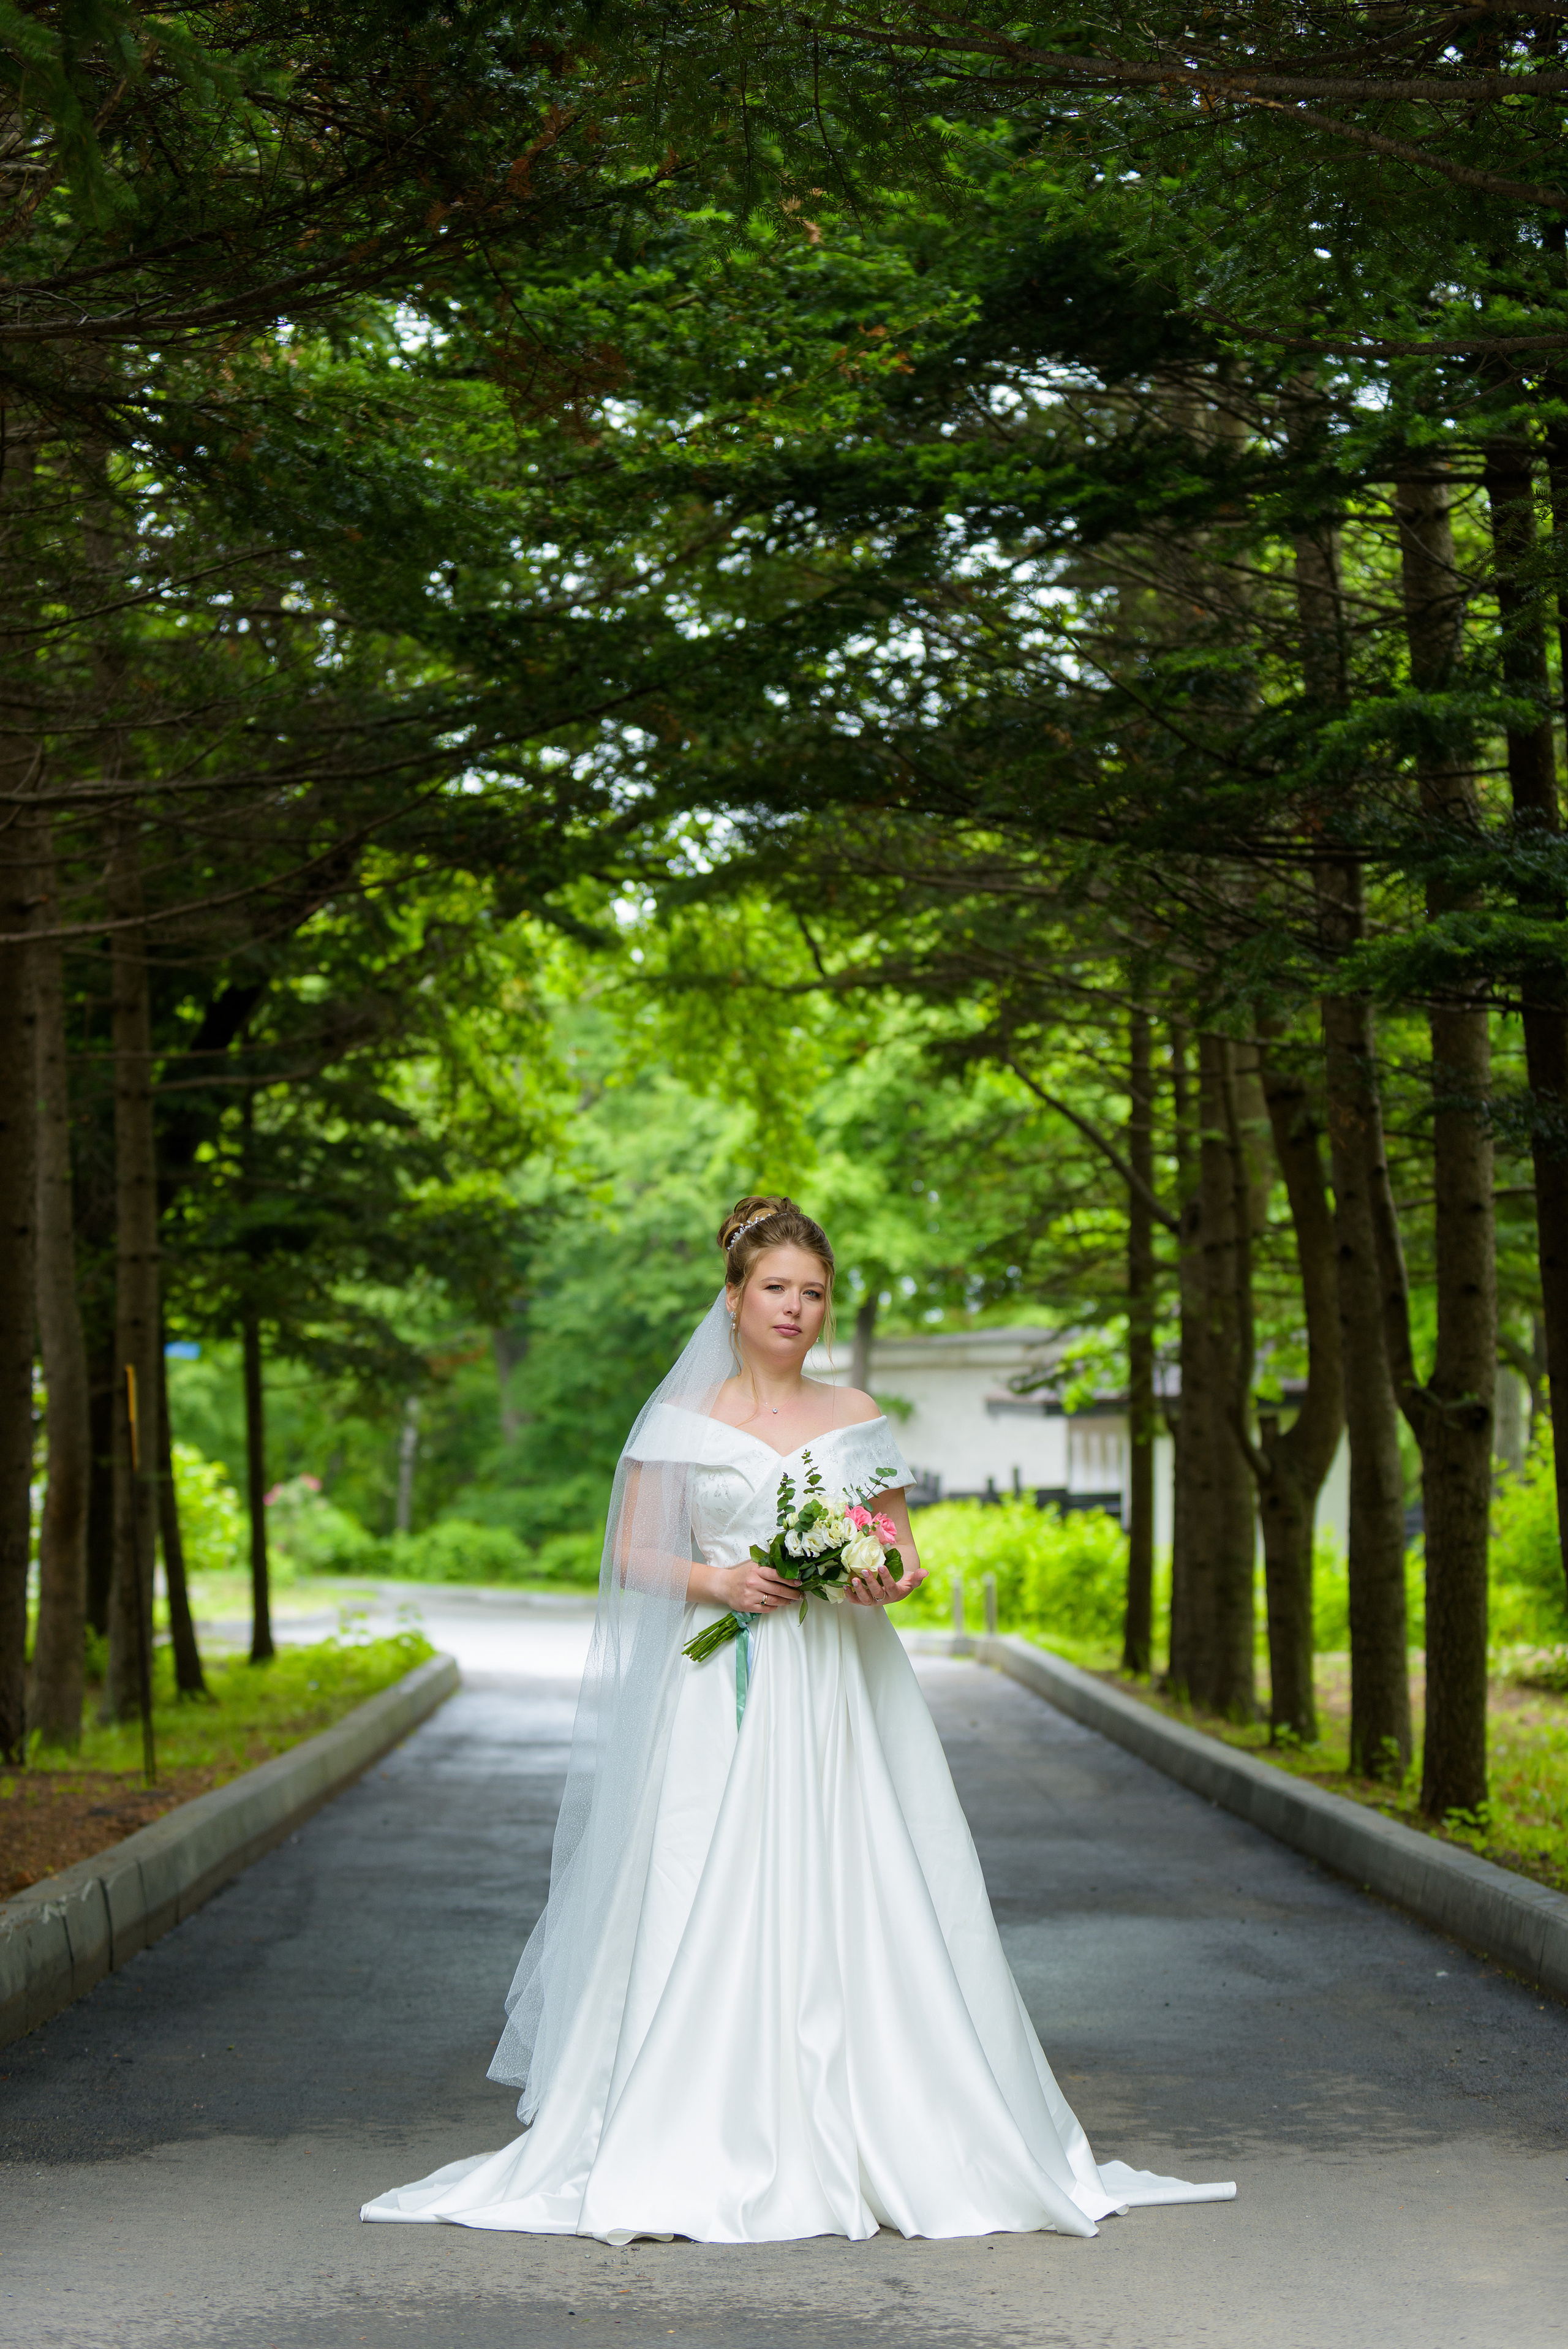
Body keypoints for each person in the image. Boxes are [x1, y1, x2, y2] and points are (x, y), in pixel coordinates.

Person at [362, 1195, 1235, 2244]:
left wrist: (877, 1578)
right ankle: (691, 2118)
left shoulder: (854, 1413)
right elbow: (635, 1557)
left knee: (859, 1878)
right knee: (697, 1880)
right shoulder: (682, 1425)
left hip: (838, 1690)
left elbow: (906, 1555)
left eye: (813, 1293)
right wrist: (719, 1581)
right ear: (732, 1298)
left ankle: (886, 2116)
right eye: (775, 1287)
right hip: (714, 1690)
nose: (795, 1307)